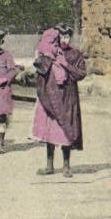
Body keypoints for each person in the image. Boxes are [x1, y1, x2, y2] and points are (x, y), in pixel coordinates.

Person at [31, 23, 86, 178]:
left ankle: (66, 166)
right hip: (50, 96)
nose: (64, 40)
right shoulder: (50, 52)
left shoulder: (75, 54)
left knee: (64, 130)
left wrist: (66, 65)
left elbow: (81, 73)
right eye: (61, 37)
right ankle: (49, 165)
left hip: (67, 97)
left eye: (67, 37)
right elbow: (40, 69)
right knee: (50, 130)